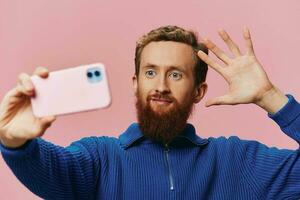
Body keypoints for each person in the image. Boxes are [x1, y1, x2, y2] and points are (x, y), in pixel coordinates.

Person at [0, 25, 299, 199]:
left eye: (176, 75)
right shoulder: (100, 158)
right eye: (151, 72)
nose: (161, 86)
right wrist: (16, 143)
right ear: (135, 83)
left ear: (199, 91)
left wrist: (272, 98)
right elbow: (48, 169)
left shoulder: (236, 161)